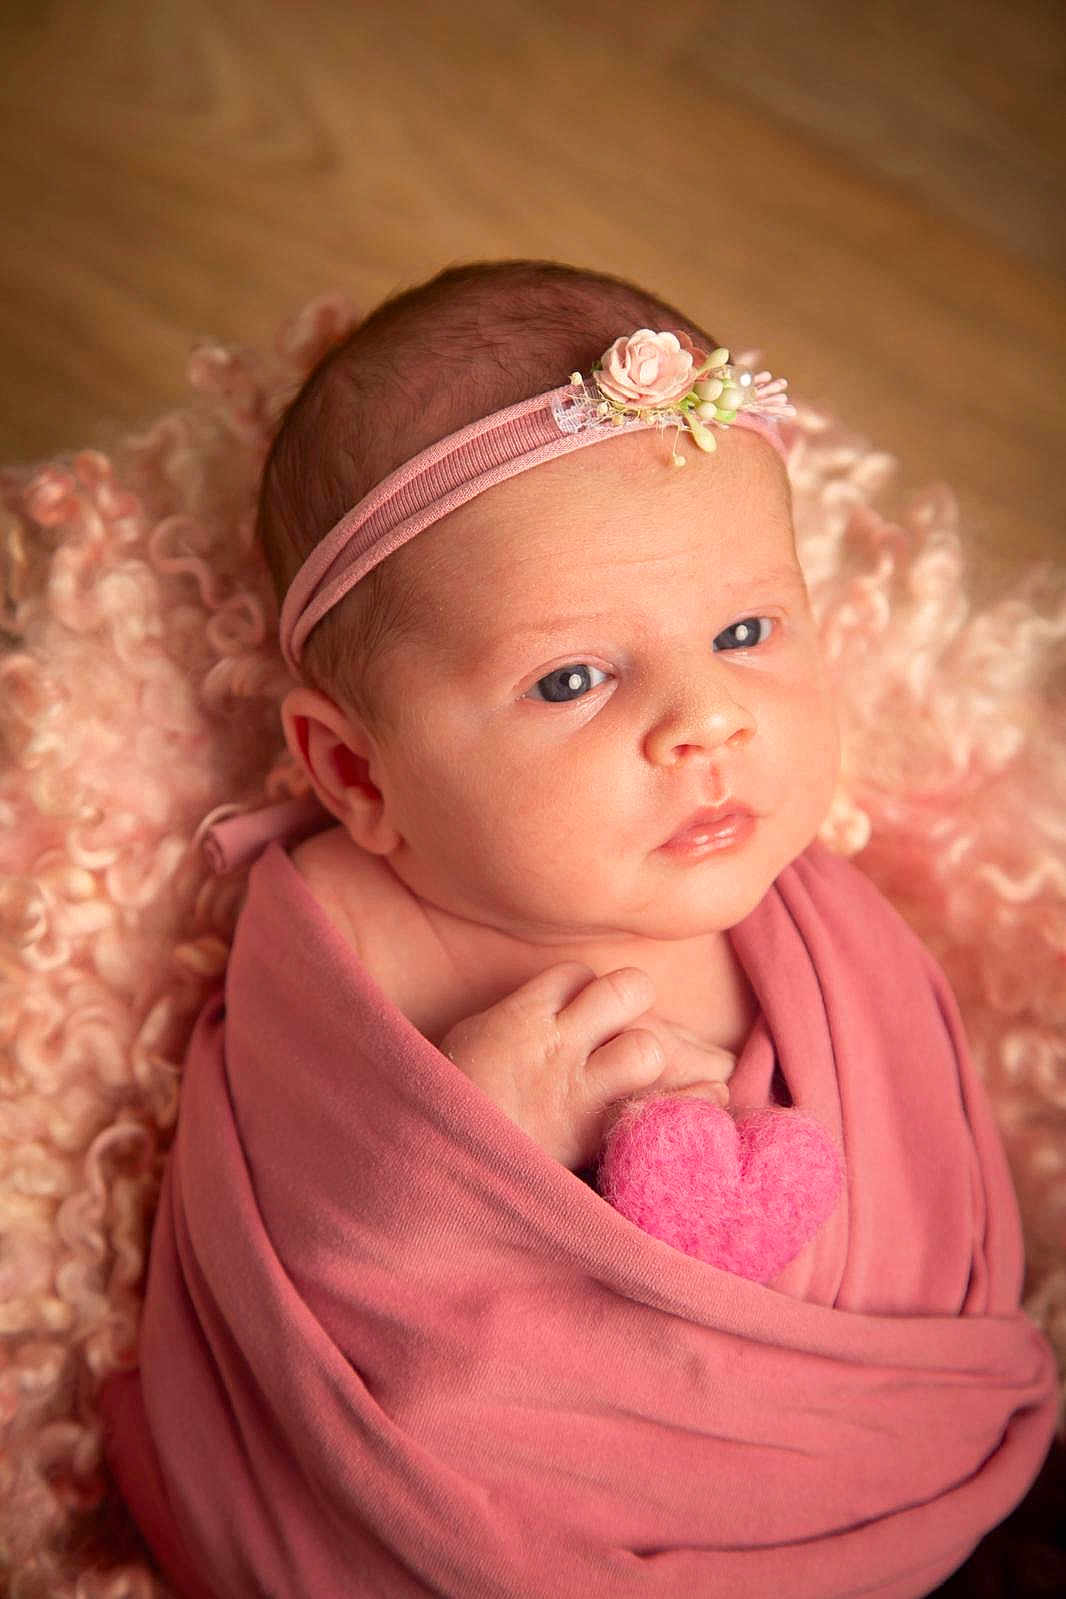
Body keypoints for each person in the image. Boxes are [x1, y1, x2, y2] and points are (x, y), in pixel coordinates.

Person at [100, 260, 1059, 1598]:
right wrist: (467, 1152)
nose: (704, 720)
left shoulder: (822, 920)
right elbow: (312, 1263)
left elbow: (936, 1191)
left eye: (741, 630)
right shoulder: (343, 928)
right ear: (359, 776)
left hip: (900, 1473)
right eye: (571, 678)